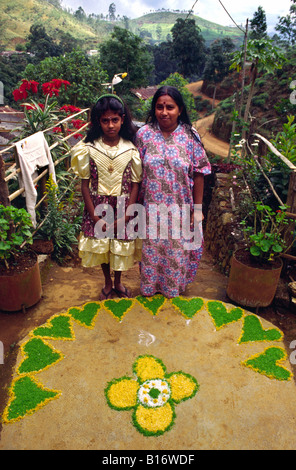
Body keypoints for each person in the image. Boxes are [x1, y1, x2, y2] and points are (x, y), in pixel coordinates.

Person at [136, 86, 211, 298]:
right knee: (152, 252)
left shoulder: (190, 136)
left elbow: (199, 173)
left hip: (181, 208)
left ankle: (172, 289)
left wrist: (197, 209)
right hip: (150, 209)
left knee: (176, 253)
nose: (164, 112)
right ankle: (150, 288)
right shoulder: (144, 135)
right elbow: (135, 173)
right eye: (159, 107)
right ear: (154, 109)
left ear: (179, 109)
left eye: (170, 107)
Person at [71, 94, 142, 300]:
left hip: (123, 206)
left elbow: (135, 184)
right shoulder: (89, 149)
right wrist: (93, 215)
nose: (110, 125)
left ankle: (118, 281)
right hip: (98, 206)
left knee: (120, 247)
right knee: (103, 248)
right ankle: (107, 282)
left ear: (122, 119)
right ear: (97, 122)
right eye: (105, 121)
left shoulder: (131, 149)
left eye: (115, 120)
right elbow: (84, 185)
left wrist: (128, 214)